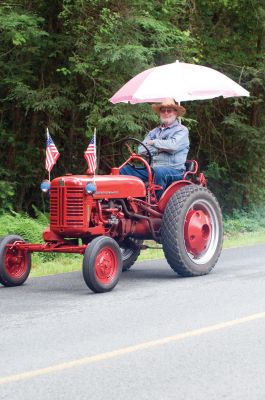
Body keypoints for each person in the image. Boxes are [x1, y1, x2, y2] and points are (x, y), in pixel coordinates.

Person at [120, 98, 189, 199]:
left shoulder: (182, 130)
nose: (165, 113)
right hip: (152, 169)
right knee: (125, 170)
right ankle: (126, 204)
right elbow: (141, 150)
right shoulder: (154, 131)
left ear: (176, 112)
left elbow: (173, 146)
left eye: (169, 110)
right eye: (163, 110)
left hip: (174, 170)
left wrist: (154, 142)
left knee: (159, 172)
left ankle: (156, 207)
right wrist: (160, 148)